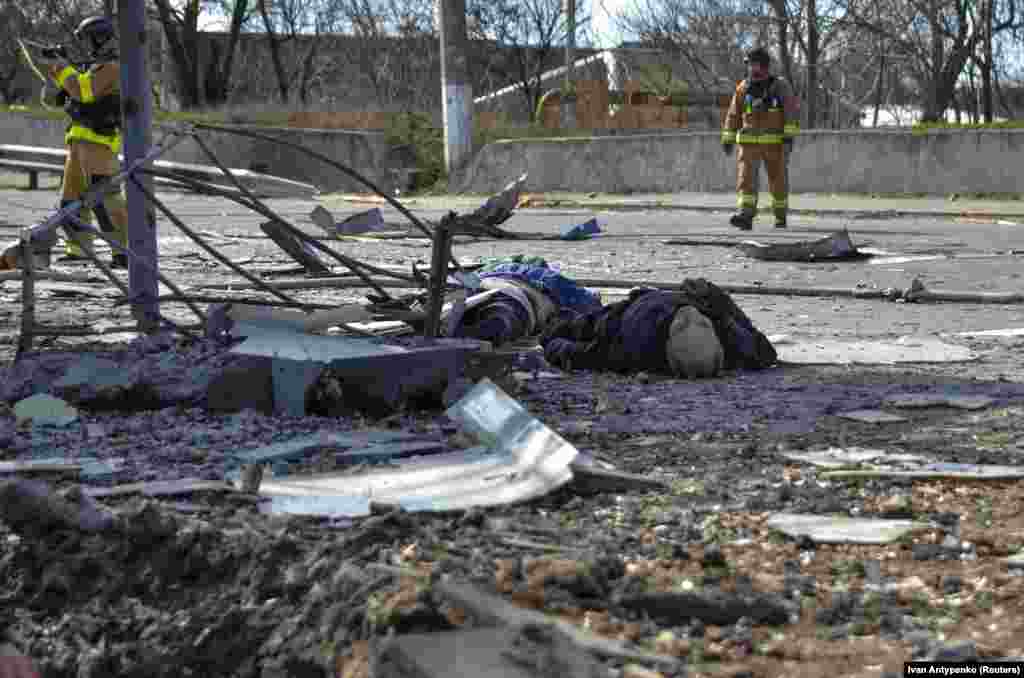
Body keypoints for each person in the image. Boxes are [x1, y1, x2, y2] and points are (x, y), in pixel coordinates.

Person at [46, 15, 128, 267]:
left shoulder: (113, 67)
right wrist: (53, 71)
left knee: (104, 199)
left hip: (99, 142)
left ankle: (123, 252)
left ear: (100, 37)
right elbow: (51, 100)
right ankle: (78, 250)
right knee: (69, 200)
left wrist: (63, 69)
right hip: (77, 142)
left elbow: (85, 91)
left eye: (88, 39)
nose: (86, 46)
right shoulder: (89, 68)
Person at [721, 47, 801, 230]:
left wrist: (788, 137)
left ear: (765, 66)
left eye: (755, 65)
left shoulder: (780, 86)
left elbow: (790, 112)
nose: (752, 69)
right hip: (748, 145)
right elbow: (733, 115)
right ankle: (745, 215)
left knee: (778, 180)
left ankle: (780, 216)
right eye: (750, 65)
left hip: (775, 144)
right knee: (746, 180)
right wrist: (728, 137)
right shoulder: (743, 87)